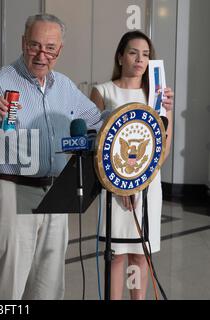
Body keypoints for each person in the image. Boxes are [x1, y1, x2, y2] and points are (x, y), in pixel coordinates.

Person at [0, 14, 102, 299]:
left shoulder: (64, 86)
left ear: (59, 50)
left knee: (48, 288)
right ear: (23, 43)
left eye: (50, 48)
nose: (42, 54)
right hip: (9, 190)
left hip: (55, 193)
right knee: (8, 288)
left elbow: (98, 121)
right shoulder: (0, 82)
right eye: (35, 46)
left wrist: (142, 112)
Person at [90, 30, 174, 300]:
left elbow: (163, 146)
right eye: (133, 52)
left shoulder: (158, 96)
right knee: (115, 255)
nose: (140, 59)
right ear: (120, 56)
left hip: (148, 188)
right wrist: (120, 186)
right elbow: (97, 145)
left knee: (140, 255)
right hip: (113, 187)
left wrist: (138, 182)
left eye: (146, 54)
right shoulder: (102, 91)